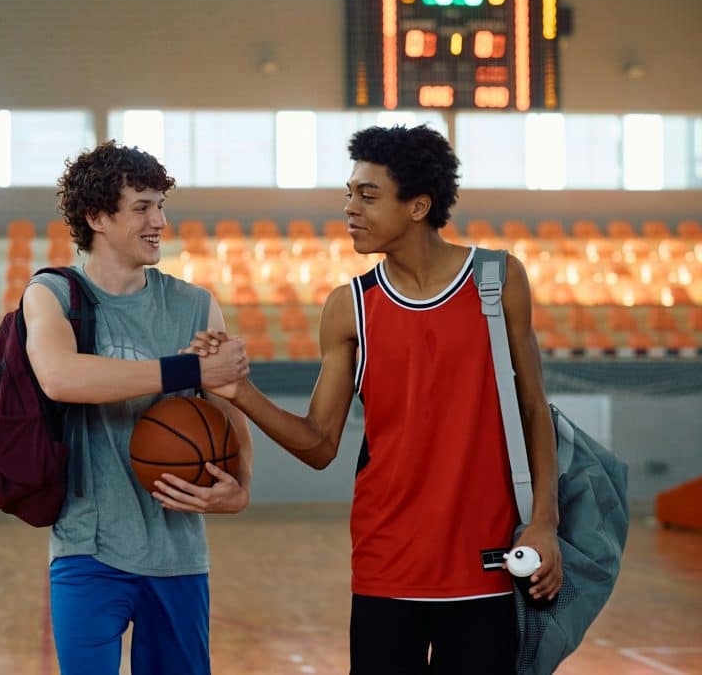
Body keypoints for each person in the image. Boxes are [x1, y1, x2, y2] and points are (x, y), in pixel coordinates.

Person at [173, 125, 562, 673]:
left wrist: (543, 521)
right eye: (348, 194)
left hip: (489, 564)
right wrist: (238, 391)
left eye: (368, 195)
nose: (350, 208)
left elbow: (532, 411)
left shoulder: (497, 279)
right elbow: (318, 444)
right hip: (387, 566)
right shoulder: (349, 306)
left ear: (418, 207)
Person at [23, 140, 253, 675]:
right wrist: (186, 369)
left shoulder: (196, 304)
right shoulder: (52, 294)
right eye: (142, 207)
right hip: (87, 548)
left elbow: (228, 403)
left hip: (178, 552)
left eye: (161, 205)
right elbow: (60, 376)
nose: (160, 221)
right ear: (97, 216)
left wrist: (241, 486)